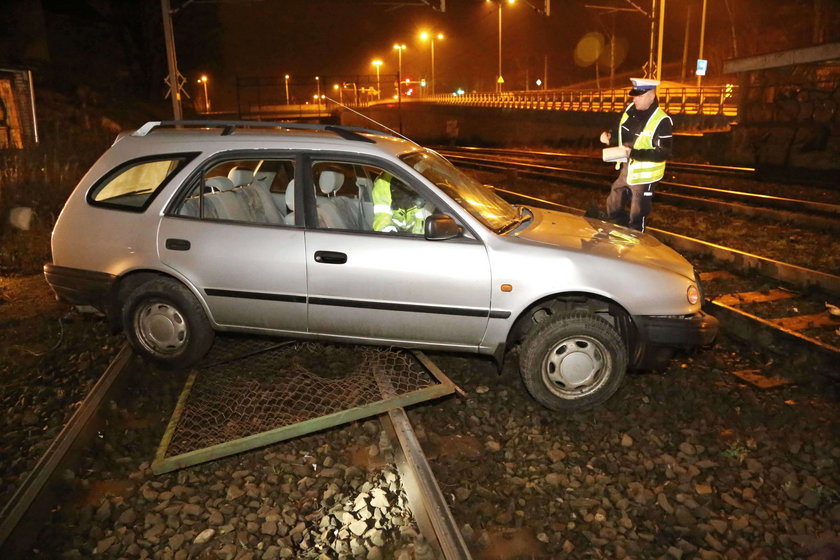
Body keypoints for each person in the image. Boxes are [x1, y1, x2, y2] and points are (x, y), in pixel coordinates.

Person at [601, 78, 673, 232]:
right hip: (628, 169)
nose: (635, 99)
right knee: (614, 203)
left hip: (645, 176)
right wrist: (609, 136)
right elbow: (622, 132)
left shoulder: (662, 121)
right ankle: (618, 235)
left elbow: (663, 153)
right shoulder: (630, 111)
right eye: (634, 96)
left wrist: (633, 153)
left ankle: (636, 245)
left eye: (639, 96)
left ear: (651, 96)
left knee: (637, 215)